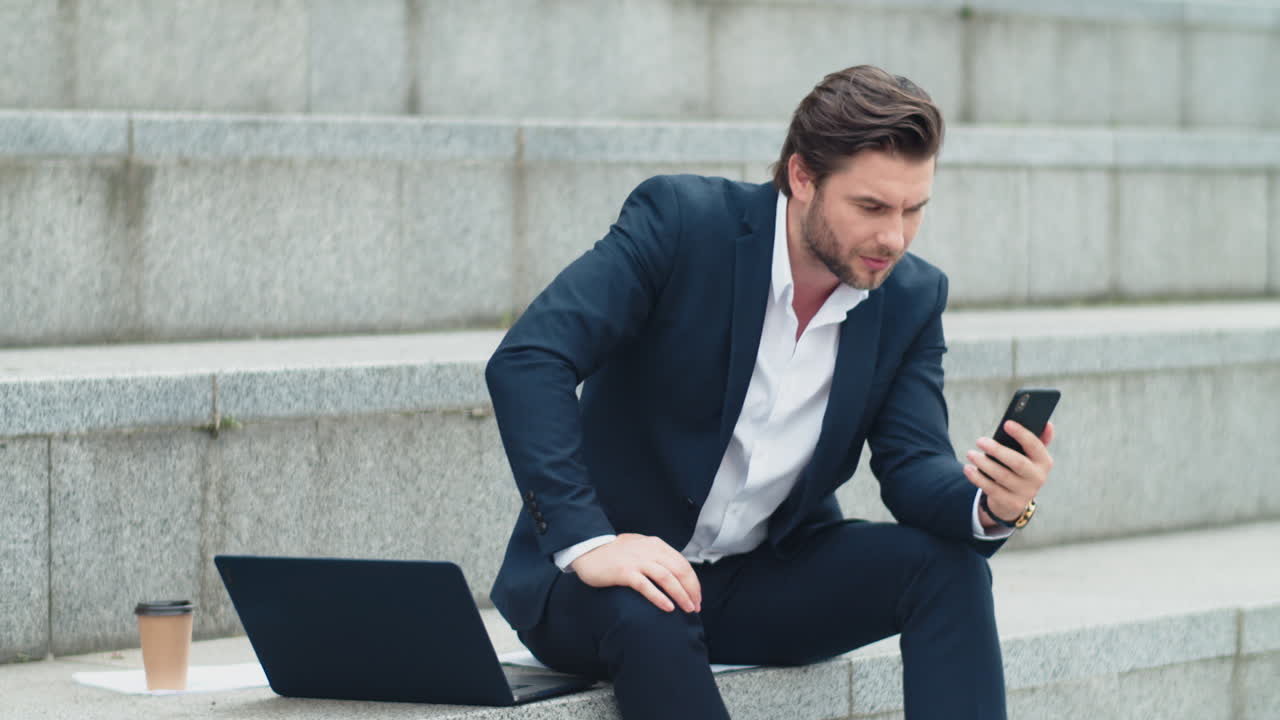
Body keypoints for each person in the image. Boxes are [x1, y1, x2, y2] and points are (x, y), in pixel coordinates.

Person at [484, 65, 1055, 719]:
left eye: (913, 209)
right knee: (650, 613)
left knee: (952, 571)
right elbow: (531, 358)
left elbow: (912, 465)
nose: (894, 237)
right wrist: (591, 542)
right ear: (802, 177)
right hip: (609, 585)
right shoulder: (680, 224)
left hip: (762, 578)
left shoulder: (910, 297)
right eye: (871, 207)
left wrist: (992, 504)